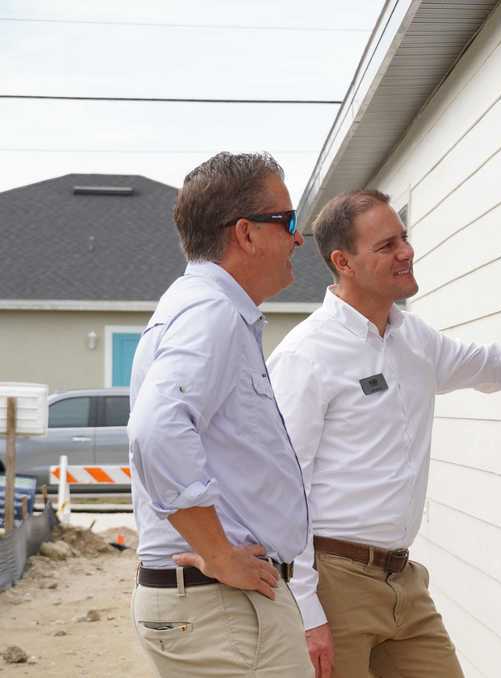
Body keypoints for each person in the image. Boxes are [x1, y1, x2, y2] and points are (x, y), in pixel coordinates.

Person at [267, 189, 501, 678]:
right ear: (343, 261)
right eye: (386, 245)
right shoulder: (306, 355)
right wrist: (305, 609)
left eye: (403, 238)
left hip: (403, 580)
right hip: (332, 582)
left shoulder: (414, 339)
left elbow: (496, 364)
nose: (406, 251)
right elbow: (283, 490)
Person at [126, 152, 313, 676]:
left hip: (215, 605)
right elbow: (156, 429)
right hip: (221, 607)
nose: (299, 238)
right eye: (288, 221)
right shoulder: (212, 313)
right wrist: (219, 552)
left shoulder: (201, 307)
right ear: (247, 234)